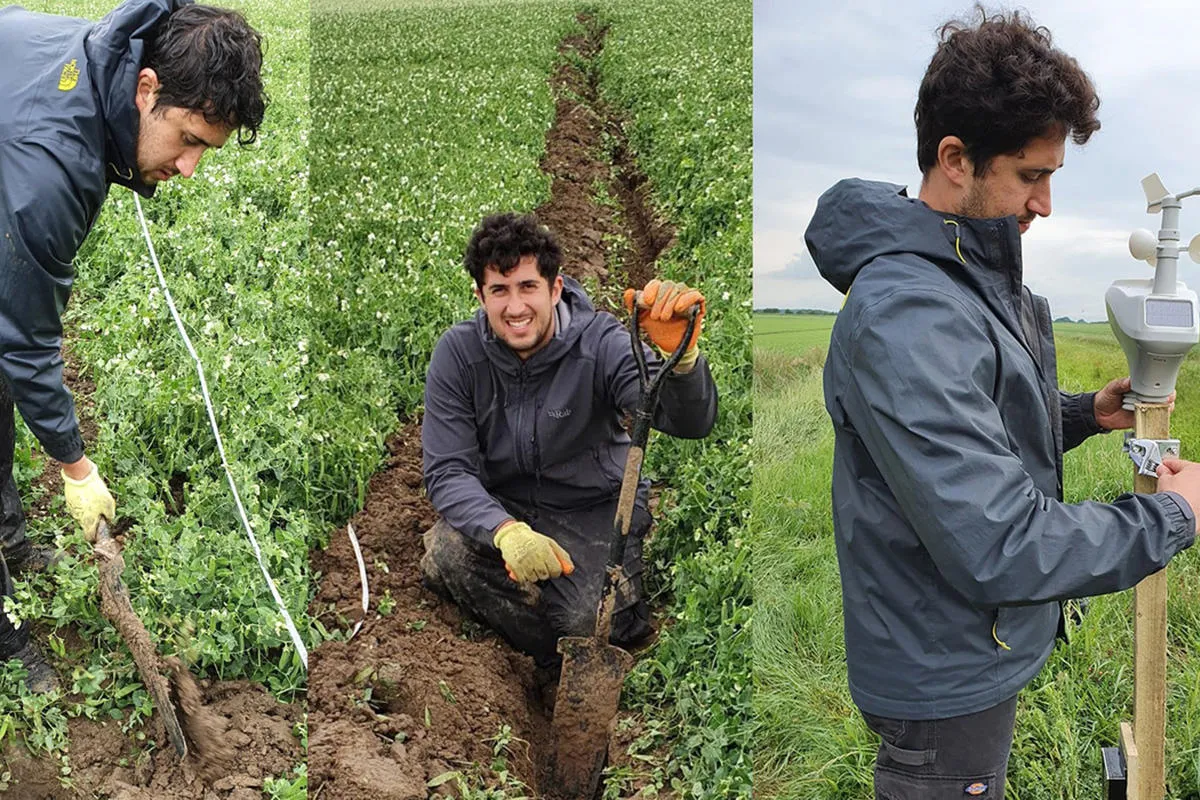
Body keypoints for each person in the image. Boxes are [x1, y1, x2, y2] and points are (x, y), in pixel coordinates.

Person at [805, 8, 1200, 798]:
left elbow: (975, 424)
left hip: (965, 644)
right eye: (1030, 174)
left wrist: (1087, 410)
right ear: (955, 159)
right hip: (940, 670)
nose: (1045, 202)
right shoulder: (907, 311)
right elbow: (1001, 541)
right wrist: (1175, 516)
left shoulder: (961, 274)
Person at [0, 0, 266, 691]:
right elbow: (26, 341)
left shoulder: (106, 54)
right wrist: (76, 468)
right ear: (146, 90)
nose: (189, 169)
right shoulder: (51, 170)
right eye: (188, 141)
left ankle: (11, 543)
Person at [420, 212, 717, 699]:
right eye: (499, 290)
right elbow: (448, 469)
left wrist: (680, 365)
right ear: (480, 297)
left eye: (527, 287)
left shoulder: (600, 343)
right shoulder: (458, 355)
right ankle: (541, 667)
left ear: (556, 289)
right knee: (448, 555)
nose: (515, 307)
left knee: (589, 621)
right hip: (508, 507)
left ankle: (572, 639)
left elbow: (686, 423)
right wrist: (504, 530)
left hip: (593, 507)